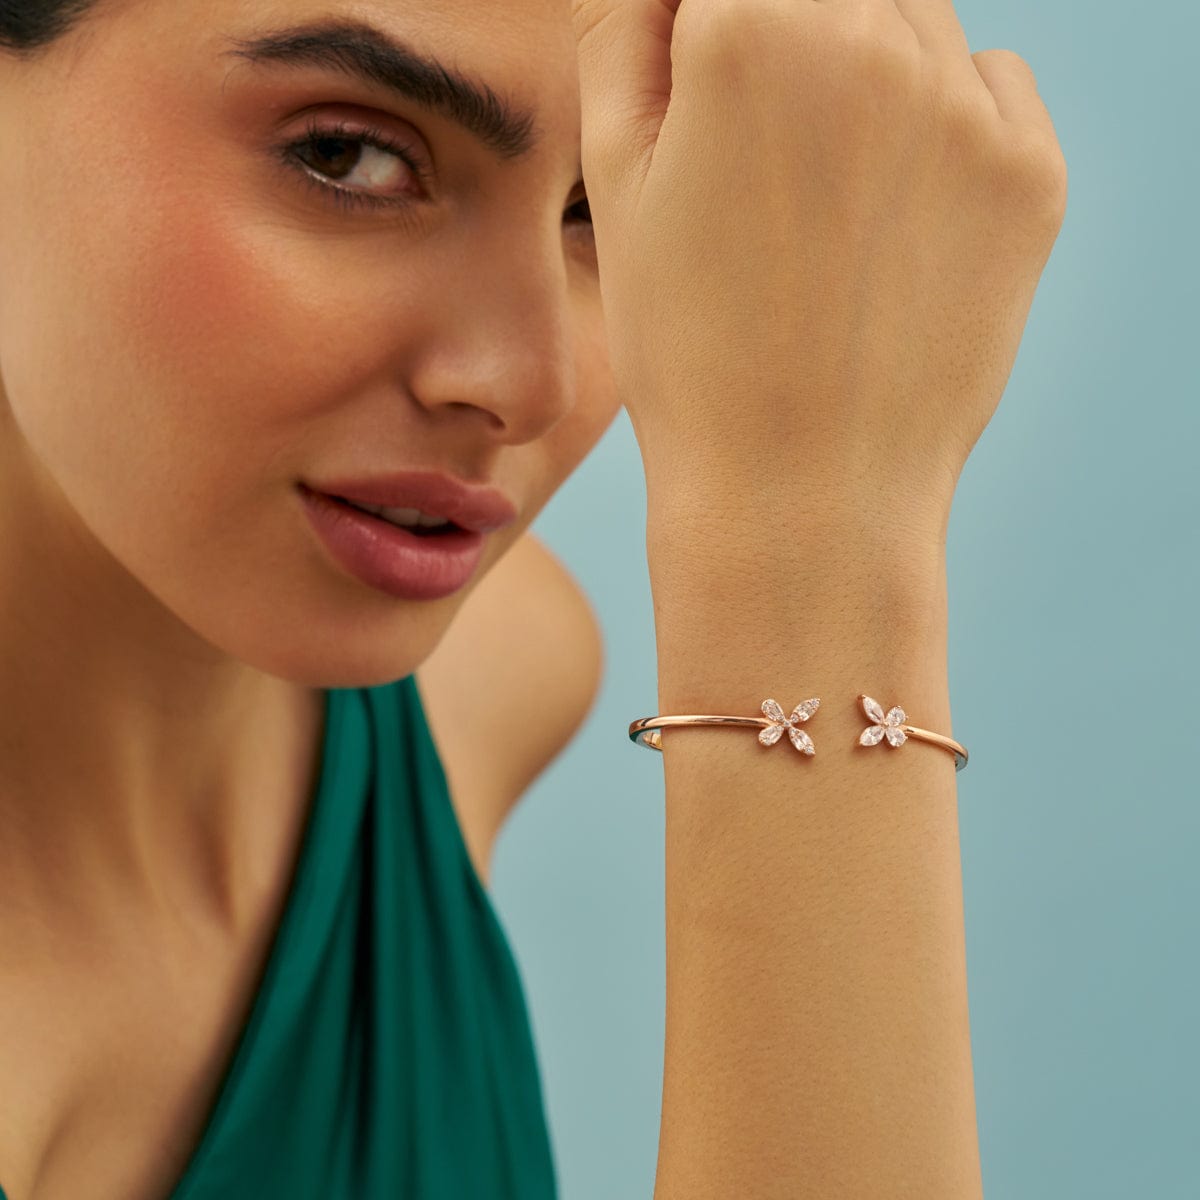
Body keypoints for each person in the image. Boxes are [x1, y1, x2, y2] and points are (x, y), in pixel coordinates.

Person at [0, 0, 1066, 1198]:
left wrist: (835, 520)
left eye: (605, 211)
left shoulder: (495, 679)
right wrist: (811, 545)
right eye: (349, 156)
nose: (530, 381)